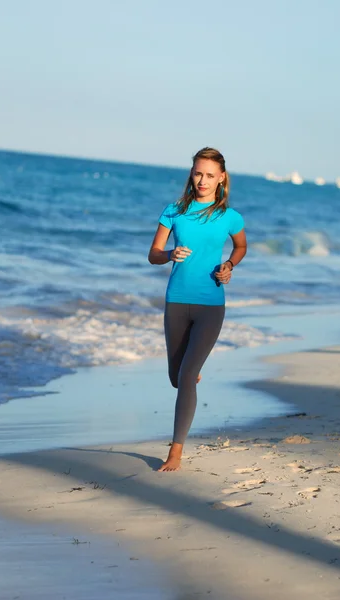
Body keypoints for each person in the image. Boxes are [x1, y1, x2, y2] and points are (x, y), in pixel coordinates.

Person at [148, 147, 247, 471]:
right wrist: (170, 254)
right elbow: (154, 253)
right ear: (192, 173)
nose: (202, 180)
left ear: (221, 179)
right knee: (177, 378)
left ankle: (175, 452)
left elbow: (241, 245)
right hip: (176, 302)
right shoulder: (174, 210)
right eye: (197, 173)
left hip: (210, 305)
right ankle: (190, 371)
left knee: (187, 376)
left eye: (209, 175)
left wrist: (229, 265)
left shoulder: (230, 217)